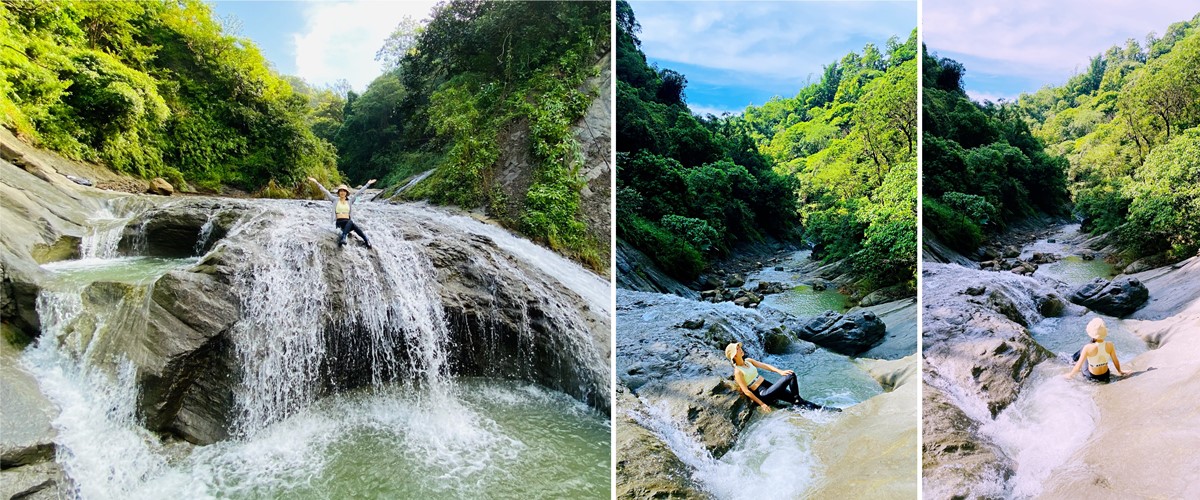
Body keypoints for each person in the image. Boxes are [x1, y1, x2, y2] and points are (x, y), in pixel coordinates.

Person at [725, 342, 835, 413]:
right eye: (738, 348)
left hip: (769, 386)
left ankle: (825, 410)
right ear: (734, 355)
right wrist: (762, 404)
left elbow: (765, 366)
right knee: (790, 376)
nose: (741, 349)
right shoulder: (738, 371)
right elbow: (746, 391)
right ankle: (797, 400)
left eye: (739, 347)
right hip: (763, 393)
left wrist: (780, 371)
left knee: (800, 400)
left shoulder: (748, 361)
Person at [307, 177, 376, 249]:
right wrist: (316, 182)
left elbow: (358, 193)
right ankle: (360, 238)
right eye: (341, 191)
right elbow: (325, 191)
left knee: (352, 224)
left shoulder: (350, 201)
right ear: (338, 193)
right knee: (351, 223)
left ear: (346, 193)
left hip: (348, 224)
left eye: (344, 191)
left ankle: (362, 239)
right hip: (339, 223)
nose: (342, 192)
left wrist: (368, 184)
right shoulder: (334, 200)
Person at [1065, 317, 1127, 382]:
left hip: (1091, 376)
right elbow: (1116, 361)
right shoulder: (1110, 345)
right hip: (1105, 375)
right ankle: (1073, 359)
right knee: (1089, 353)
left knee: (1083, 350)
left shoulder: (1088, 347)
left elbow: (1078, 367)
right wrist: (1120, 371)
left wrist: (1070, 375)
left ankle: (1072, 359)